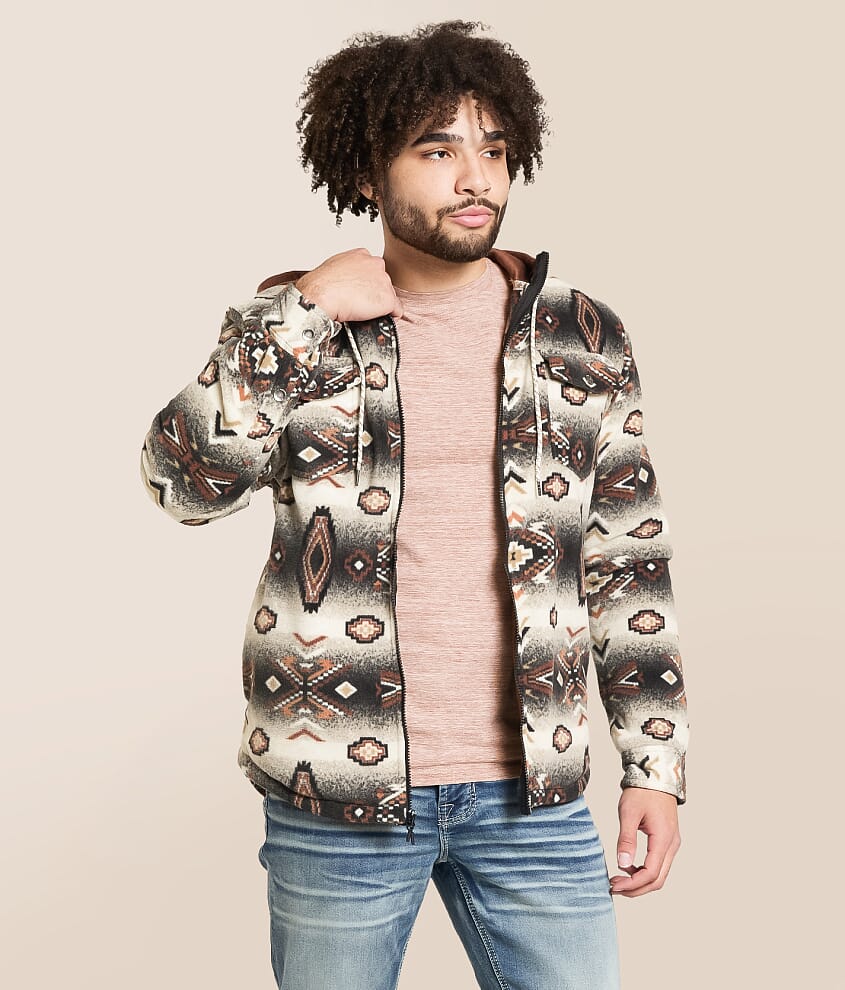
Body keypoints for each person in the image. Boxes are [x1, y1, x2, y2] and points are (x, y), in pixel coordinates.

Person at [140, 20, 689, 990]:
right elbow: (179, 483)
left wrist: (654, 765)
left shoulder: (580, 336)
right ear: (367, 172)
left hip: (534, 795)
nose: (475, 178)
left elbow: (624, 562)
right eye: (437, 151)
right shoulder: (296, 330)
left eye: (493, 150)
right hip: (333, 789)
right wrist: (306, 310)